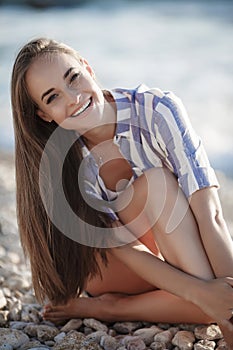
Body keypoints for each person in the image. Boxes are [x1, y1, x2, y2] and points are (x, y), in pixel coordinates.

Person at [11, 37, 233, 347]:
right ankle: (109, 306)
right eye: (53, 97)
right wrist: (209, 297)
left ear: (87, 68)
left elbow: (209, 212)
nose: (74, 97)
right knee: (159, 187)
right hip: (106, 266)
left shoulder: (157, 110)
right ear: (45, 115)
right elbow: (126, 251)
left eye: (73, 77)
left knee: (212, 290)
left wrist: (224, 296)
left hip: (162, 248)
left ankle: (207, 302)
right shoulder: (64, 163)